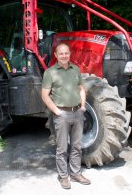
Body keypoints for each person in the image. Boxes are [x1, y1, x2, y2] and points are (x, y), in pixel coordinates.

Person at [41, 42, 91, 189]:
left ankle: (75, 174)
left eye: (66, 53)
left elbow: (81, 89)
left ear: (70, 54)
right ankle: (63, 176)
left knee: (77, 146)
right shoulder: (50, 73)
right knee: (62, 148)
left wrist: (82, 106)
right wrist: (57, 112)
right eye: (61, 53)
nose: (64, 56)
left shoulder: (75, 69)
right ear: (56, 55)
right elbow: (44, 95)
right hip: (62, 114)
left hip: (77, 113)